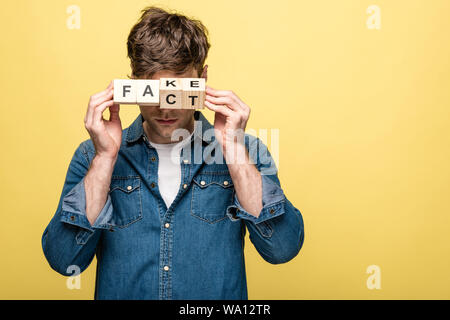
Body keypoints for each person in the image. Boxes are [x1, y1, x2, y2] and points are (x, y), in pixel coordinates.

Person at [42, 6, 304, 300]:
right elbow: (64, 261)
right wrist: (104, 159)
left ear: (202, 81)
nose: (165, 108)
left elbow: (281, 249)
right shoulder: (91, 156)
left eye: (177, 92)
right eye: (153, 92)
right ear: (134, 84)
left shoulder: (247, 151)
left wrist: (233, 149)